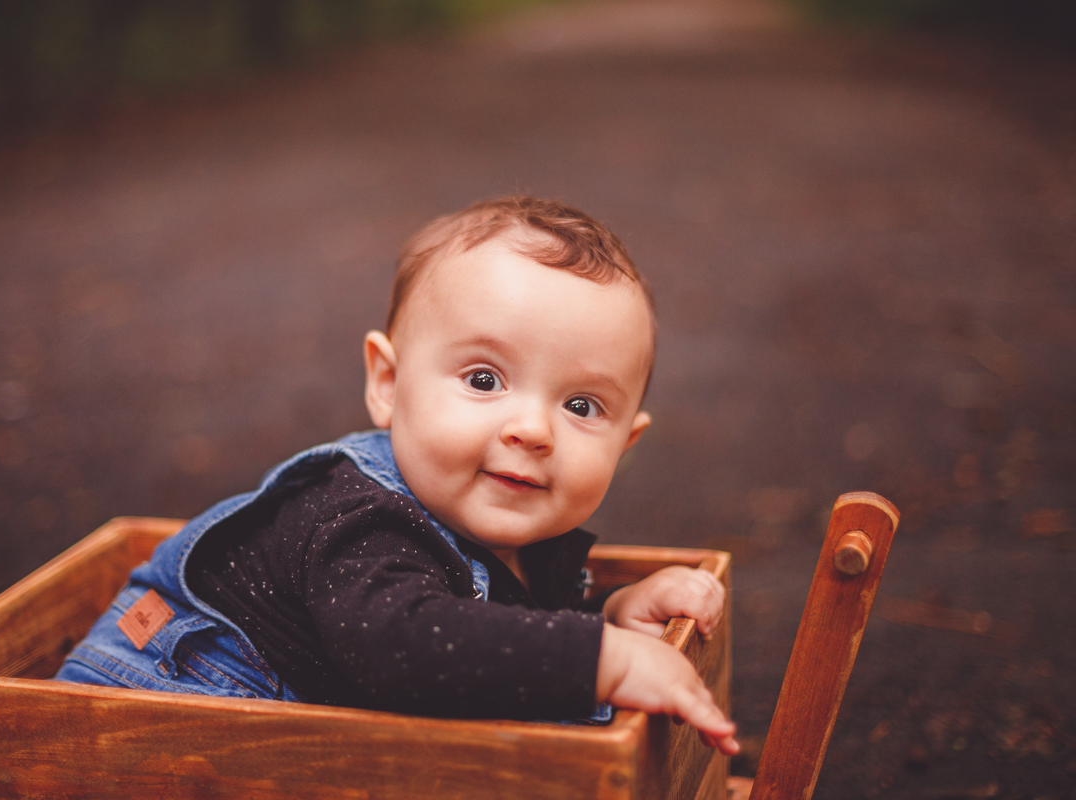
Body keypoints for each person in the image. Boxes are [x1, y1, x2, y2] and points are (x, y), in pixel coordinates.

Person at [55, 196, 738, 755]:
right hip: (138, 728)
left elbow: (491, 634)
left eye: (581, 406)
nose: (532, 429)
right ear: (387, 383)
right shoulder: (358, 518)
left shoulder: (506, 527)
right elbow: (411, 646)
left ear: (626, 442)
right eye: (483, 379)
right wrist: (605, 659)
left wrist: (610, 615)